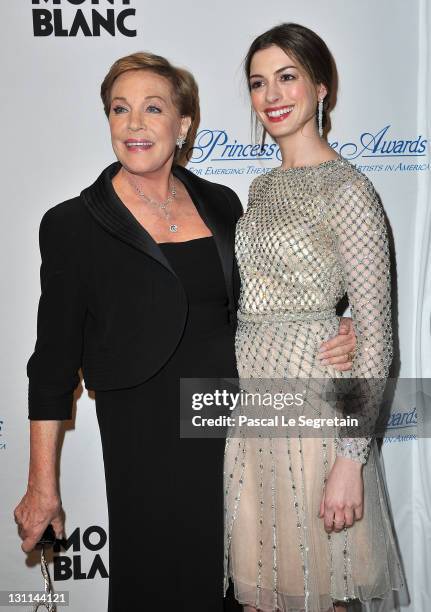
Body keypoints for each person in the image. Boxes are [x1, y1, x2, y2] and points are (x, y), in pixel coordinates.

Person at [13, 52, 355, 611]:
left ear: (184, 125)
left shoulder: (220, 204)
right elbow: (51, 369)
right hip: (145, 434)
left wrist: (341, 320)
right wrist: (41, 485)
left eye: (153, 108)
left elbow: (270, 296)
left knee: (243, 578)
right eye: (120, 110)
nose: (135, 124)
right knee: (160, 581)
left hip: (236, 418)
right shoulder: (72, 225)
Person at [224, 24, 405, 612]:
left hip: (316, 412)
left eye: (287, 77)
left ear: (320, 88)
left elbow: (376, 337)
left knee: (324, 595)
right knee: (257, 595)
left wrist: (351, 460)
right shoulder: (259, 187)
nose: (271, 95)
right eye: (258, 82)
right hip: (254, 414)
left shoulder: (350, 190)